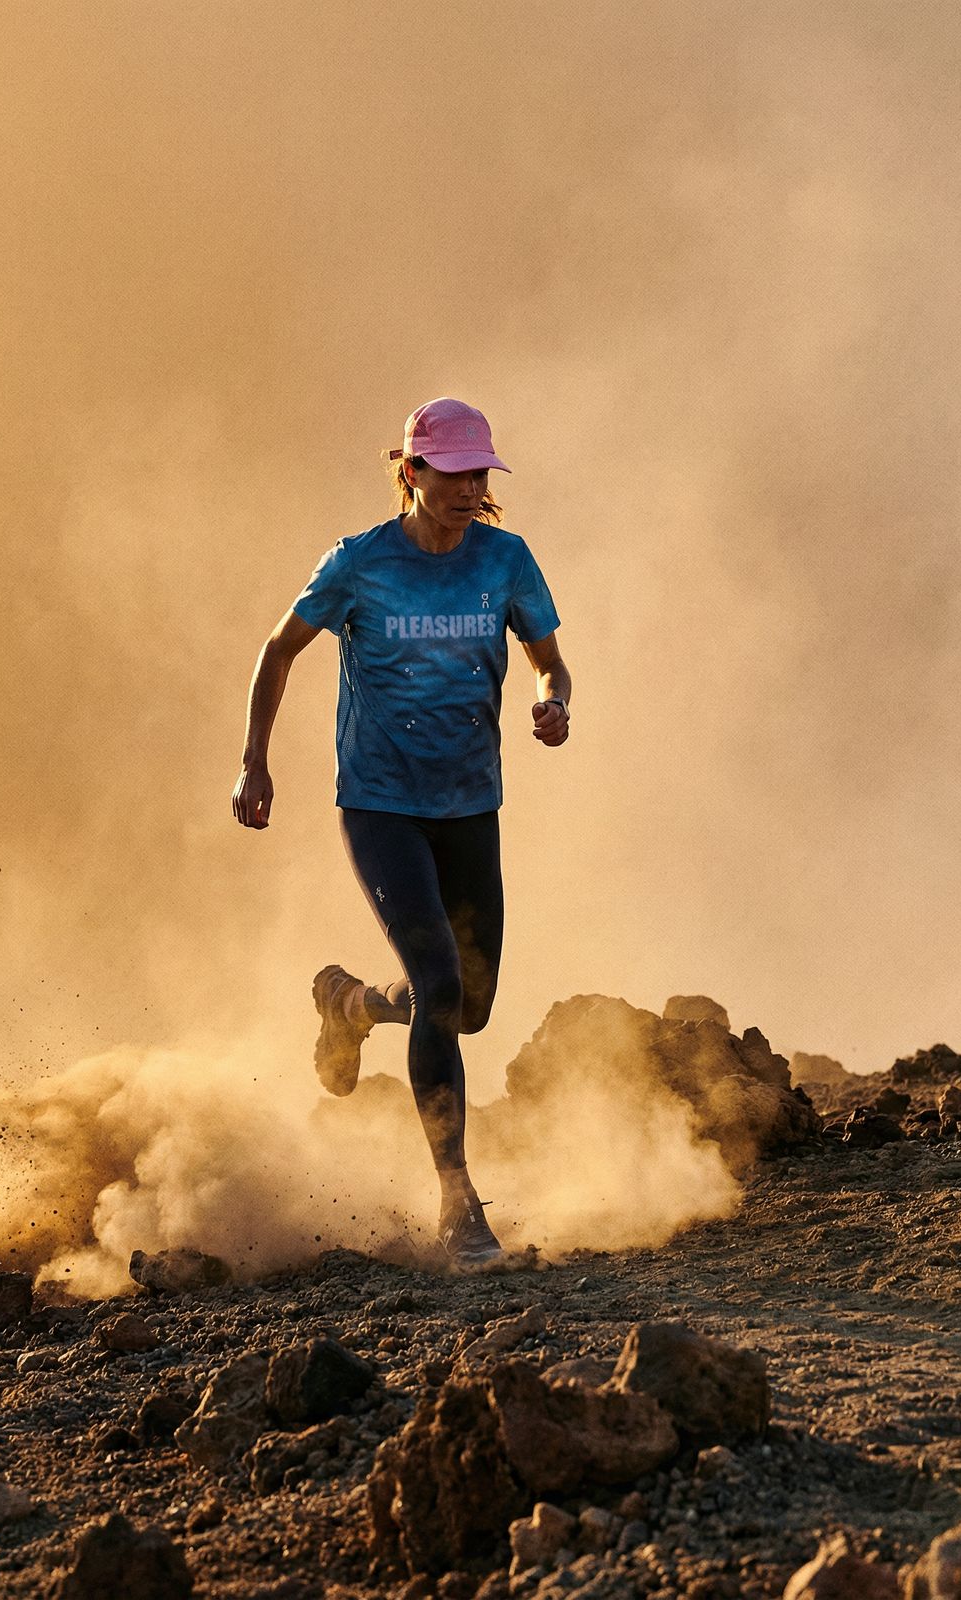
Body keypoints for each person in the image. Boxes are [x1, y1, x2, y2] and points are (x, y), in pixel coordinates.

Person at [232, 397, 570, 1267]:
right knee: (440, 982)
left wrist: (550, 698)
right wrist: (254, 761)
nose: (468, 489)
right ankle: (459, 1205)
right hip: (380, 806)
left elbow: (547, 656)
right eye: (452, 473)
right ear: (412, 472)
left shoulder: (504, 560)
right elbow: (279, 649)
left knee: (469, 1005)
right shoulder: (358, 563)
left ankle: (349, 1002)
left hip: (469, 804)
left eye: (478, 474)